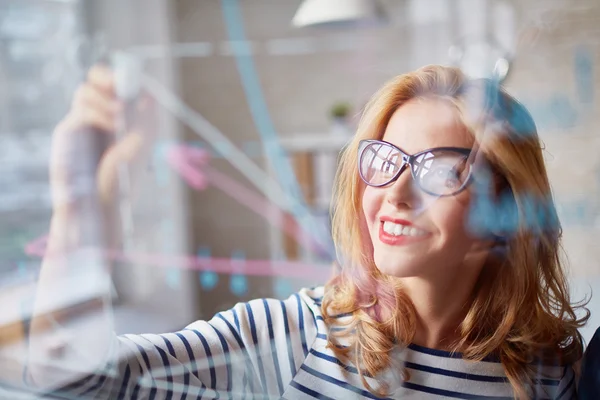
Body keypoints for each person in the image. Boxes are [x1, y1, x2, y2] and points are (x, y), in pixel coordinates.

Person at [23, 64, 588, 399]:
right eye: (383, 159)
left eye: (440, 171)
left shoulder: (548, 370)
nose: (394, 192)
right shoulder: (295, 334)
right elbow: (75, 384)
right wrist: (77, 201)